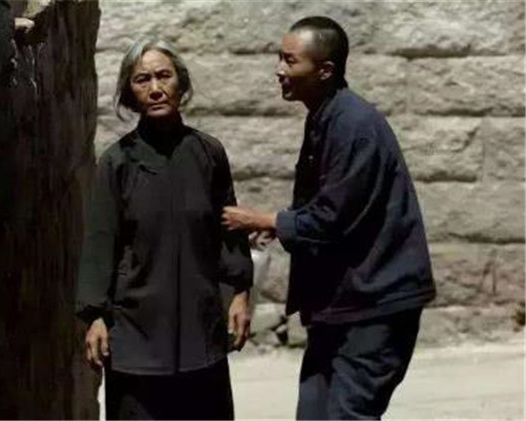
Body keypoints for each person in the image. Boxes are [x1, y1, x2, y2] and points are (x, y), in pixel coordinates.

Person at [222, 16, 436, 420]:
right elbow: (330, 204)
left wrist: (267, 220)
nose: (279, 70)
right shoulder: (325, 116)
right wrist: (284, 224)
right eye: (280, 58)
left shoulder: (354, 124)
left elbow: (333, 218)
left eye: (290, 61)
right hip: (339, 305)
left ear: (325, 71)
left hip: (374, 306)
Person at [76, 37, 253, 420]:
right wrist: (95, 317)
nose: (155, 88)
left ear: (181, 83)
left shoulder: (208, 154)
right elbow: (100, 243)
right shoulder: (117, 163)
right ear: (129, 93)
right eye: (142, 80)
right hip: (136, 335)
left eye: (164, 76)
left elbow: (229, 228)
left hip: (200, 331)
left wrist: (240, 292)